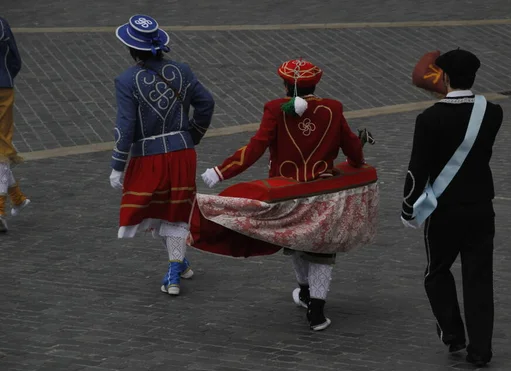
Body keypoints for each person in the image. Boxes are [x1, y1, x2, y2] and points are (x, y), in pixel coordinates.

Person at [198, 59, 376, 331]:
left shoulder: (274, 109)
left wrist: (222, 172)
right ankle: (316, 311)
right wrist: (357, 161)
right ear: (316, 83)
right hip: (322, 192)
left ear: (285, 85)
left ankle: (304, 291)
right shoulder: (333, 108)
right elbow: (351, 146)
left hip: (287, 195)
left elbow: (256, 147)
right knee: (322, 250)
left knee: (294, 239)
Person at [401, 49, 503, 367]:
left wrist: (408, 208)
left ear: (443, 77)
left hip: (444, 210)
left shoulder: (429, 119)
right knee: (479, 278)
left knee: (437, 272)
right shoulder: (493, 112)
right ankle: (481, 350)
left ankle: (453, 333)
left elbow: (417, 169)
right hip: (481, 207)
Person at [109, 15, 215, 295]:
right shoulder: (182, 71)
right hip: (183, 153)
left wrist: (117, 164)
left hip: (149, 157)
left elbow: (126, 125)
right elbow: (206, 103)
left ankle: (173, 273)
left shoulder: (126, 80)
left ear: (132, 49)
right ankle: (179, 262)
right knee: (173, 211)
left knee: (157, 210)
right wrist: (192, 135)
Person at [0, 17, 30, 233]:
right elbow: (14, 60)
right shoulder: (1, 24)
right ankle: (12, 200)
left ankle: (16, 198)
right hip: (2, 86)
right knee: (2, 145)